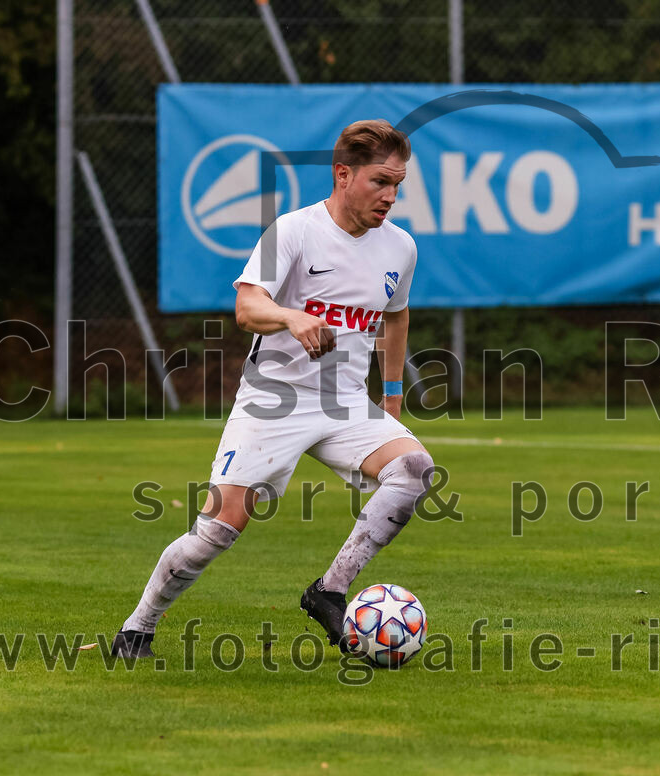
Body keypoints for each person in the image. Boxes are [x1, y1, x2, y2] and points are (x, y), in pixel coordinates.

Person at [112, 119, 434, 658]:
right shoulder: (294, 231)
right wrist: (291, 317)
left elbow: (396, 319)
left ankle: (329, 591)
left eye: (398, 184)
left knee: (414, 471)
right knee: (218, 527)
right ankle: (137, 628)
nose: (390, 196)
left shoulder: (400, 248)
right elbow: (246, 307)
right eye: (380, 182)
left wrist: (394, 393)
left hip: (345, 402)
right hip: (274, 402)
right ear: (342, 174)